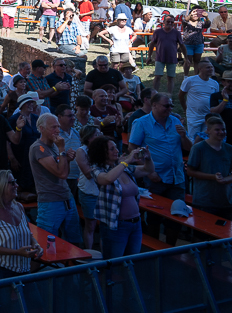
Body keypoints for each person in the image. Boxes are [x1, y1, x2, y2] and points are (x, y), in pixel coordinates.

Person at [128, 93, 192, 246]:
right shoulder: (141, 123)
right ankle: (154, 249)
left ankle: (171, 249)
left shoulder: (175, 121)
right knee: (154, 216)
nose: (170, 109)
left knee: (177, 214)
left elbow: (189, 148)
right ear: (154, 105)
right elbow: (133, 148)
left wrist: (184, 136)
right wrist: (148, 171)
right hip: (156, 178)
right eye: (166, 106)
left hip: (177, 177)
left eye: (171, 105)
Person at [89, 136, 155, 258]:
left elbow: (148, 170)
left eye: (116, 147)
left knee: (131, 261)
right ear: (102, 153)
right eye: (112, 149)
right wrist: (126, 162)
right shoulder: (97, 169)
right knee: (114, 262)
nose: (117, 151)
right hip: (116, 226)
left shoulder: (124, 168)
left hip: (135, 223)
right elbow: (107, 179)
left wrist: (148, 158)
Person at [29, 113, 82, 245]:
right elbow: (61, 174)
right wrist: (62, 149)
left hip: (66, 198)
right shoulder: (38, 148)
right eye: (53, 127)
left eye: (58, 126)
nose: (58, 130)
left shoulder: (53, 147)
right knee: (46, 243)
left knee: (74, 242)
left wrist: (67, 160)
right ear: (42, 128)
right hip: (50, 202)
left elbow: (65, 173)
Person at [0, 170, 43, 280]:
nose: (17, 185)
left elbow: (28, 234)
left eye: (15, 182)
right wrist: (17, 252)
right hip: (0, 270)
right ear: (0, 187)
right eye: (12, 183)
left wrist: (36, 244)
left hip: (23, 268)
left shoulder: (19, 207)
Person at [186, 116, 232, 219]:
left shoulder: (229, 149)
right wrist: (213, 177)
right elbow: (190, 171)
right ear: (208, 131)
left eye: (223, 129)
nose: (221, 132)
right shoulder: (198, 148)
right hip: (204, 201)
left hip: (226, 201)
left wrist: (226, 179)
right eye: (217, 130)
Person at [180, 59, 219, 140]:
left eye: (211, 67)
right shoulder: (190, 80)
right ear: (200, 69)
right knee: (193, 139)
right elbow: (181, 95)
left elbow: (216, 100)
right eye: (208, 67)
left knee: (207, 139)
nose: (211, 69)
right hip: (194, 116)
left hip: (208, 117)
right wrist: (185, 109)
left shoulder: (215, 83)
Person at [149, 16, 185, 94]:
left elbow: (182, 45)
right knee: (157, 76)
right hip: (159, 57)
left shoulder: (177, 33)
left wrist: (186, 57)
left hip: (172, 58)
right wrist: (149, 56)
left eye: (172, 22)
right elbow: (152, 44)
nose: (170, 23)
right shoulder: (157, 32)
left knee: (170, 77)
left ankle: (169, 95)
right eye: (168, 21)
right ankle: (155, 94)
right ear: (164, 22)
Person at [182, 8, 211, 76]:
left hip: (199, 44)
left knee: (197, 61)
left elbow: (208, 25)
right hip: (188, 44)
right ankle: (185, 76)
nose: (195, 15)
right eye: (194, 12)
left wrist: (206, 17)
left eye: (197, 13)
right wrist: (190, 15)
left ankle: (196, 75)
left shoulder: (201, 22)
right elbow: (184, 21)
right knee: (188, 61)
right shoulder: (187, 22)